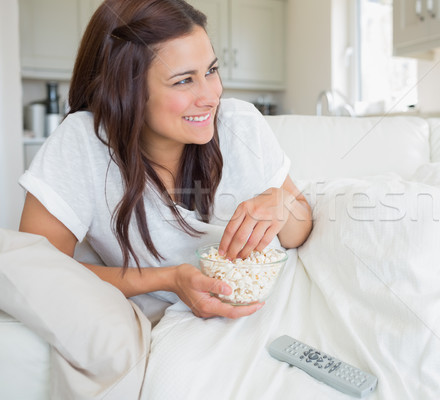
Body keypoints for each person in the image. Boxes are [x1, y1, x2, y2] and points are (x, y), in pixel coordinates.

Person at [18, 0, 312, 319]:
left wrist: (281, 203)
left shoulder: (241, 124)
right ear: (125, 91)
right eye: (183, 80)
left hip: (279, 303)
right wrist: (169, 280)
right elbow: (35, 270)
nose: (210, 97)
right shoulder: (84, 144)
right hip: (176, 325)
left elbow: (300, 231)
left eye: (211, 71)